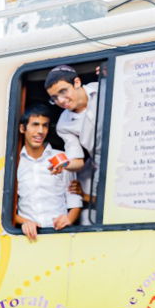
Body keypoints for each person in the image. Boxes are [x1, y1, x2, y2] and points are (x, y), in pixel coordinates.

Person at [14, 104, 81, 242]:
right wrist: (24, 222)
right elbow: (7, 208)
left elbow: (74, 201)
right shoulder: (14, 163)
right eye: (35, 124)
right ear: (22, 128)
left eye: (45, 125)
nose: (40, 131)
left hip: (60, 235)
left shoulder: (61, 158)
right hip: (27, 239)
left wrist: (68, 219)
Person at [44, 64, 103, 221]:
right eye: (54, 98)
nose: (61, 100)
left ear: (77, 82)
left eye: (63, 92)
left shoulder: (105, 88)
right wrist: (63, 165)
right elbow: (78, 161)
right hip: (103, 169)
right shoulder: (63, 124)